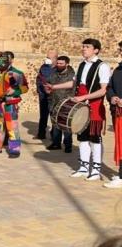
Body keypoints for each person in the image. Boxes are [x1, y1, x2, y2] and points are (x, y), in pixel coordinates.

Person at [48, 39, 111, 180]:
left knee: (94, 138)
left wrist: (84, 97)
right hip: (81, 105)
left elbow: (103, 90)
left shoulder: (102, 66)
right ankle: (83, 167)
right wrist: (54, 87)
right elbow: (74, 83)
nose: (83, 49)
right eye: (83, 46)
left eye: (87, 47)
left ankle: (95, 169)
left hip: (94, 106)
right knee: (82, 138)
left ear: (96, 50)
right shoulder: (82, 64)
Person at [0, 51, 28, 157]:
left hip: (10, 104)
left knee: (12, 127)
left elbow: (25, 88)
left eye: (3, 61)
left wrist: (15, 91)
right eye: (0, 61)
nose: (1, 64)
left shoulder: (17, 74)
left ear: (9, 62)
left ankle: (14, 149)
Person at [45, 56, 75, 152]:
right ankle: (56, 143)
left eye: (61, 63)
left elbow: (73, 85)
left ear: (67, 64)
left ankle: (68, 145)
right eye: (58, 63)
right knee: (55, 124)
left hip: (66, 103)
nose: (58, 65)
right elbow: (47, 82)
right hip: (54, 101)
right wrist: (47, 89)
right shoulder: (53, 72)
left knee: (66, 125)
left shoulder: (71, 74)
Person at [105, 41, 122, 188]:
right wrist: (113, 97)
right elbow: (110, 87)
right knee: (121, 144)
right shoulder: (118, 70)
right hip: (118, 112)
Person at [36, 50, 58, 140]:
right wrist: (40, 91)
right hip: (43, 96)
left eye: (49, 58)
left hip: (54, 97)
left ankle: (54, 135)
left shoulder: (59, 68)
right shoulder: (43, 67)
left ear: (55, 58)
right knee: (43, 116)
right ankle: (41, 134)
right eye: (47, 57)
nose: (47, 59)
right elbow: (39, 79)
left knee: (54, 115)